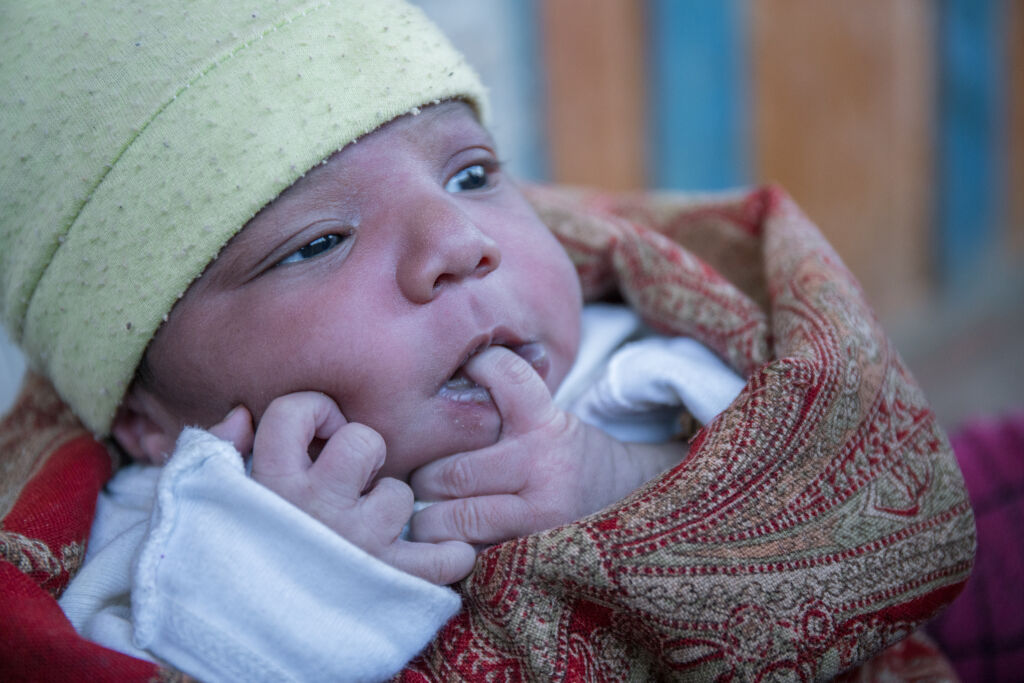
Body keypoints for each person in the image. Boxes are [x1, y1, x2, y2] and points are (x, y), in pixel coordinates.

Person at [0, 0, 973, 680]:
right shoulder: (158, 554)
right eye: (321, 241)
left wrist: (624, 478)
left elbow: (811, 481)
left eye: (469, 176)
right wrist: (279, 596)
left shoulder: (634, 366)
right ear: (149, 415)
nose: (458, 244)